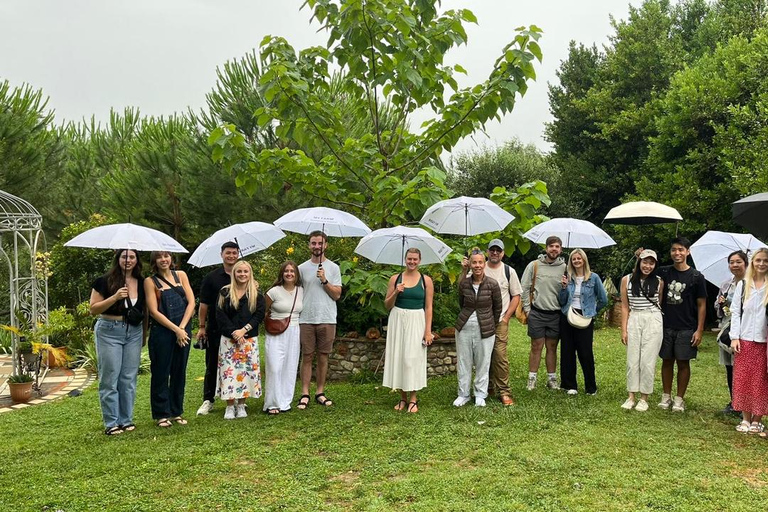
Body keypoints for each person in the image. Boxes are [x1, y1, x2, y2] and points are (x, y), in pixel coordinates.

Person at [89, 249, 146, 436]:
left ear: (137, 260)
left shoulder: (143, 282)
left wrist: (144, 334)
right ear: (118, 259)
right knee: (110, 376)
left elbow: (145, 311)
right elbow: (93, 309)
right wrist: (114, 297)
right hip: (109, 330)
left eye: (131, 257)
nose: (128, 260)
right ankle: (111, 422)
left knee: (128, 378)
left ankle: (126, 419)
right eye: (124, 257)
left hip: (134, 332)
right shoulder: (104, 281)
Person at [655, 237, 707, 412]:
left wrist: (699, 330)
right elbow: (644, 271)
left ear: (688, 251)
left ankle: (679, 399)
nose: (677, 253)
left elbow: (702, 305)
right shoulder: (664, 272)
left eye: (680, 250)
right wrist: (639, 257)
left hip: (687, 327)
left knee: (684, 363)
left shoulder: (697, 277)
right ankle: (666, 396)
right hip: (666, 325)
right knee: (666, 361)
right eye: (674, 250)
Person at [144, 251, 196, 427]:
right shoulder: (150, 282)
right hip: (163, 332)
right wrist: (175, 330)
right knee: (160, 372)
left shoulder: (181, 275)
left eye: (166, 256)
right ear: (154, 261)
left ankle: (176, 412)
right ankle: (161, 414)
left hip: (183, 329)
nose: (163, 260)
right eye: (159, 257)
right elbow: (153, 311)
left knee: (179, 371)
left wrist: (182, 328)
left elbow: (191, 302)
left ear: (171, 259)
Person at [382, 248, 435, 414]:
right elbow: (387, 305)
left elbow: (429, 307)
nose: (412, 262)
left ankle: (413, 397)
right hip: (397, 319)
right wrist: (396, 292)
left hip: (416, 319)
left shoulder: (426, 281)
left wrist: (428, 331)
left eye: (415, 259)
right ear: (405, 259)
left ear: (420, 261)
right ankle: (402, 397)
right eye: (409, 259)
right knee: (399, 356)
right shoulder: (395, 279)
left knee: (412, 358)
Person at [470, 239, 521, 406]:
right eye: (492, 250)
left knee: (499, 355)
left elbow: (516, 296)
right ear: (487, 252)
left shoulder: (508, 271)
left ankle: (504, 391)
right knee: (483, 354)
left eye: (498, 250)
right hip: (480, 320)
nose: (495, 253)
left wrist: (506, 317)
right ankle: (487, 385)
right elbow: (465, 287)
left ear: (503, 253)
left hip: (499, 321)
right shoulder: (478, 268)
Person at [297, 231, 342, 409]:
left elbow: (337, 295)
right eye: (313, 243)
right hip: (306, 318)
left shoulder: (333, 268)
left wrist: (324, 280)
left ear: (326, 245)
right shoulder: (301, 268)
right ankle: (305, 393)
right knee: (306, 356)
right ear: (309, 245)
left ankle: (320, 392)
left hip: (327, 318)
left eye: (320, 243)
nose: (317, 246)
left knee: (323, 356)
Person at [215, 260, 265, 420]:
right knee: (229, 372)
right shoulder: (225, 292)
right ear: (234, 273)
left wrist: (244, 330)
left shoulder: (256, 294)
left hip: (248, 340)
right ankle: (230, 406)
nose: (242, 274)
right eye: (239, 271)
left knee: (246, 371)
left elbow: (259, 315)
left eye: (246, 271)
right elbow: (220, 315)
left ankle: (242, 404)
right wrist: (234, 333)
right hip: (229, 341)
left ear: (250, 273)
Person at [454, 248, 502, 407]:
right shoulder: (464, 283)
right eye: (474, 262)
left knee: (483, 362)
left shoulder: (492, 284)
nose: (477, 265)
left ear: (484, 263)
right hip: (464, 328)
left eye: (480, 262)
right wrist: (463, 270)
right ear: (470, 264)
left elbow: (497, 308)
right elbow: (461, 304)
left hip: (486, 328)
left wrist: (490, 325)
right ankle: (463, 394)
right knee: (463, 361)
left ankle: (480, 394)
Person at [196, 241, 240, 416]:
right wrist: (201, 326)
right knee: (212, 364)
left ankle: (236, 397)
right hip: (216, 328)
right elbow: (204, 305)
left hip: (238, 329)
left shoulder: (243, 274)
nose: (231, 256)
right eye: (228, 253)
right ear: (221, 254)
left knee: (237, 364)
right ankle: (209, 399)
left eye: (234, 253)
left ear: (238, 254)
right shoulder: (211, 278)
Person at [558, 248, 608, 396]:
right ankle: (569, 385)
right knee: (567, 351)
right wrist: (564, 287)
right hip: (568, 316)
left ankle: (590, 387)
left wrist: (592, 312)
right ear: (571, 262)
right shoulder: (568, 277)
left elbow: (603, 299)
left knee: (585, 353)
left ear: (584, 260)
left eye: (579, 258)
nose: (577, 261)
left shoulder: (594, 278)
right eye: (574, 259)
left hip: (585, 317)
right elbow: (561, 301)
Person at [520, 236, 567, 390]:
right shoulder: (534, 265)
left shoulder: (565, 268)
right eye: (551, 246)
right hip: (537, 312)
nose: (554, 249)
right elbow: (524, 288)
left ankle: (551, 379)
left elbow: (570, 291)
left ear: (561, 249)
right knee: (536, 346)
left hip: (556, 313)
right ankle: (532, 378)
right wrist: (527, 310)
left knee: (552, 347)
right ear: (546, 248)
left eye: (557, 246)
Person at [620, 249, 664, 411]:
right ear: (639, 262)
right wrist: (623, 329)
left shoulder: (659, 281)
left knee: (647, 360)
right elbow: (625, 306)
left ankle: (644, 397)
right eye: (645, 262)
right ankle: (631, 396)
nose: (648, 266)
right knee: (632, 359)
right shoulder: (627, 280)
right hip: (635, 317)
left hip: (652, 319)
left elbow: (658, 302)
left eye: (651, 263)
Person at [730, 248, 768, 435]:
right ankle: (745, 418)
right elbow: (735, 312)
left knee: (760, 380)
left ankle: (757, 419)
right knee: (743, 378)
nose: (761, 264)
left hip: (764, 341)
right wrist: (735, 337)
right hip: (744, 339)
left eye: (765, 261)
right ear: (752, 262)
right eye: (758, 260)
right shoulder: (744, 285)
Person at [262, 261, 304, 415]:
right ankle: (272, 403)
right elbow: (263, 311)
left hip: (294, 330)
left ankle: (285, 401)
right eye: (286, 271)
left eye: (292, 271)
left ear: (296, 274)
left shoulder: (301, 291)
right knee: (274, 366)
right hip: (275, 332)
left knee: (290, 366)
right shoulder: (273, 292)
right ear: (282, 273)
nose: (289, 274)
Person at [715, 250, 747, 416]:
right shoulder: (726, 284)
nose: (735, 265)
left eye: (738, 262)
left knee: (743, 368)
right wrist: (720, 304)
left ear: (746, 263)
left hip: (744, 330)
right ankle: (734, 402)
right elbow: (718, 309)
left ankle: (745, 404)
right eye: (732, 262)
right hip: (727, 329)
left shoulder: (753, 283)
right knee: (730, 367)